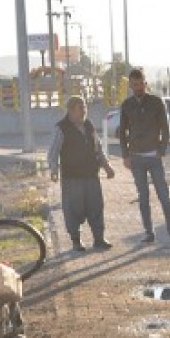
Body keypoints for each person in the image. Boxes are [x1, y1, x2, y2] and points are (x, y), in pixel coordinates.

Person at [48, 95, 116, 251]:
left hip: (91, 175)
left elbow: (97, 148)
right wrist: (53, 170)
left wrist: (107, 167)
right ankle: (76, 241)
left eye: (85, 107)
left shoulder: (88, 125)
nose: (84, 111)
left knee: (96, 207)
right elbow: (53, 151)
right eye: (81, 108)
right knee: (73, 209)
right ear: (71, 110)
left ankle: (99, 239)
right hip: (72, 178)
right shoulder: (61, 128)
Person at [118, 68, 170, 243]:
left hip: (154, 157)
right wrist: (125, 155)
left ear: (145, 82)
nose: (137, 87)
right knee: (143, 197)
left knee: (164, 196)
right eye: (134, 84)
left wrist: (162, 150)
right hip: (136, 158)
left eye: (140, 83)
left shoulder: (156, 102)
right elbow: (122, 132)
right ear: (130, 85)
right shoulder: (126, 105)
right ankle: (148, 233)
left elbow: (165, 128)